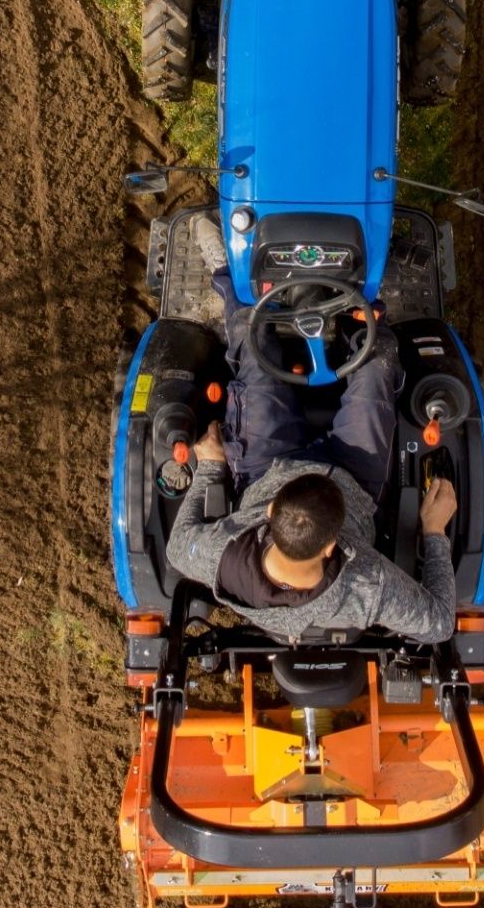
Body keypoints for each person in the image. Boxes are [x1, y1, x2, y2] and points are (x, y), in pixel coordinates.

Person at [165, 220, 459, 647]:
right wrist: (433, 534)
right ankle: (361, 308)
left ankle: (230, 274)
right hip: (354, 476)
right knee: (378, 357)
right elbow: (438, 623)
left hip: (267, 468)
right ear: (330, 547)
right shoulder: (366, 585)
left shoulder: (222, 554)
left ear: (268, 516)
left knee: (255, 345)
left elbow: (177, 549)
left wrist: (211, 470)